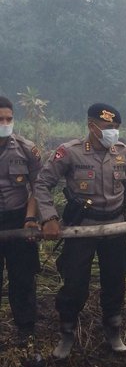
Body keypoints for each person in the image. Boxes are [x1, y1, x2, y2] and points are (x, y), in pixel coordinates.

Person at [35, 103, 126, 359]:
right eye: (109, 128)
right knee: (74, 284)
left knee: (115, 280)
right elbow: (42, 184)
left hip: (116, 227)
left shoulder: (124, 153)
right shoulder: (69, 153)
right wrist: (49, 218)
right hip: (81, 229)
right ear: (92, 127)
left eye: (117, 128)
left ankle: (113, 329)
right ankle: (66, 333)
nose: (114, 133)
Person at [0, 96, 42, 345]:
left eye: (9, 119)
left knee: (23, 278)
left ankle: (26, 331)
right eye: (0, 119)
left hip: (19, 219)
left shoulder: (27, 149)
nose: (5, 123)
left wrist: (30, 219)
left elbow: (39, 187)